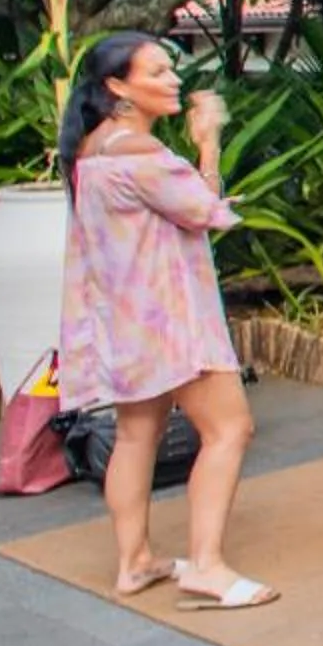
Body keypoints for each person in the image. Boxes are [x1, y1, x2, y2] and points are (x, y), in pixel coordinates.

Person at [56, 32, 275, 612]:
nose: (173, 79)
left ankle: (135, 563)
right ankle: (206, 567)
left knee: (136, 434)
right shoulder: (140, 154)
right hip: (171, 319)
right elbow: (206, 211)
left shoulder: (92, 150)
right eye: (156, 72)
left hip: (125, 319)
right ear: (118, 89)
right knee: (230, 430)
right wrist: (208, 145)